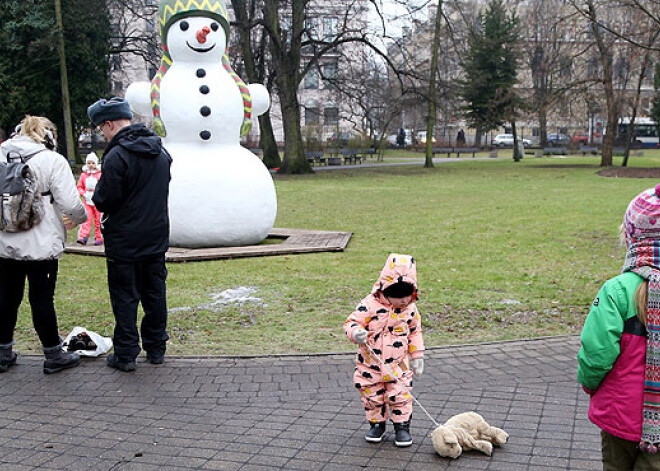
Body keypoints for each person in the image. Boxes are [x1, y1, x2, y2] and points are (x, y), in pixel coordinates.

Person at [578, 184, 660, 470]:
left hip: (620, 416)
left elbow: (596, 353)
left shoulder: (618, 291)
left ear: (632, 235)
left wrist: (589, 383)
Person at [88, 97, 172, 372]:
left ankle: (125, 354)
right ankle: (156, 347)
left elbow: (104, 199)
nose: (102, 134)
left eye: (102, 128)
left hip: (124, 239)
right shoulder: (161, 152)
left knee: (125, 296)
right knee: (155, 293)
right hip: (156, 235)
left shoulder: (117, 156)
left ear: (109, 124)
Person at [0, 116, 87, 374]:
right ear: (48, 135)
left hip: (5, 242)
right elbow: (71, 204)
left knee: (6, 298)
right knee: (41, 299)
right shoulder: (52, 160)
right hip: (41, 243)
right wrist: (79, 219)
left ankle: (3, 352)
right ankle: (53, 354)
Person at [343, 253, 425, 447]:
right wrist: (356, 333)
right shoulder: (369, 305)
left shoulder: (411, 310)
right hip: (370, 365)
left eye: (407, 296)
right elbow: (351, 322)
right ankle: (376, 424)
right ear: (385, 290)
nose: (403, 301)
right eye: (398, 297)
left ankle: (402, 427)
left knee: (401, 395)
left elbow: (415, 332)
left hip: (399, 365)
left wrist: (418, 356)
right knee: (372, 396)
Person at [76, 152, 103, 246]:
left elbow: (103, 186)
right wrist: (83, 193)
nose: (91, 165)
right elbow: (79, 186)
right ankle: (83, 236)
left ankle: (99, 237)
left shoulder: (100, 175)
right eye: (89, 163)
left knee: (98, 219)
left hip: (97, 200)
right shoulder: (83, 175)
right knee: (86, 219)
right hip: (87, 200)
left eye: (93, 163)